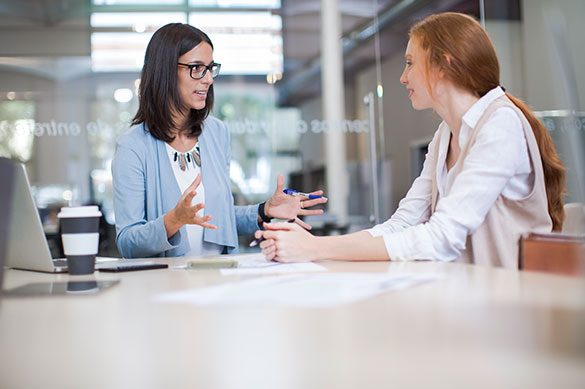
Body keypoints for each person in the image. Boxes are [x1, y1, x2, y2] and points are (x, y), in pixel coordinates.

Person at [256, 12, 566, 269]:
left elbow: (443, 237)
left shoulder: (501, 124)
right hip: (469, 296)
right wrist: (311, 246)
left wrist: (314, 248)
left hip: (513, 305)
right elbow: (401, 224)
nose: (403, 77)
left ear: (442, 65)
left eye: (409, 62)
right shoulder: (446, 133)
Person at [112, 23, 326, 258]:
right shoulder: (133, 146)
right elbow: (127, 242)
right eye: (196, 68)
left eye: (210, 68)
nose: (208, 79)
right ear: (164, 70)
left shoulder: (216, 132)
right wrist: (173, 221)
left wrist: (265, 211)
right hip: (167, 285)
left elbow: (219, 218)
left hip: (218, 278)